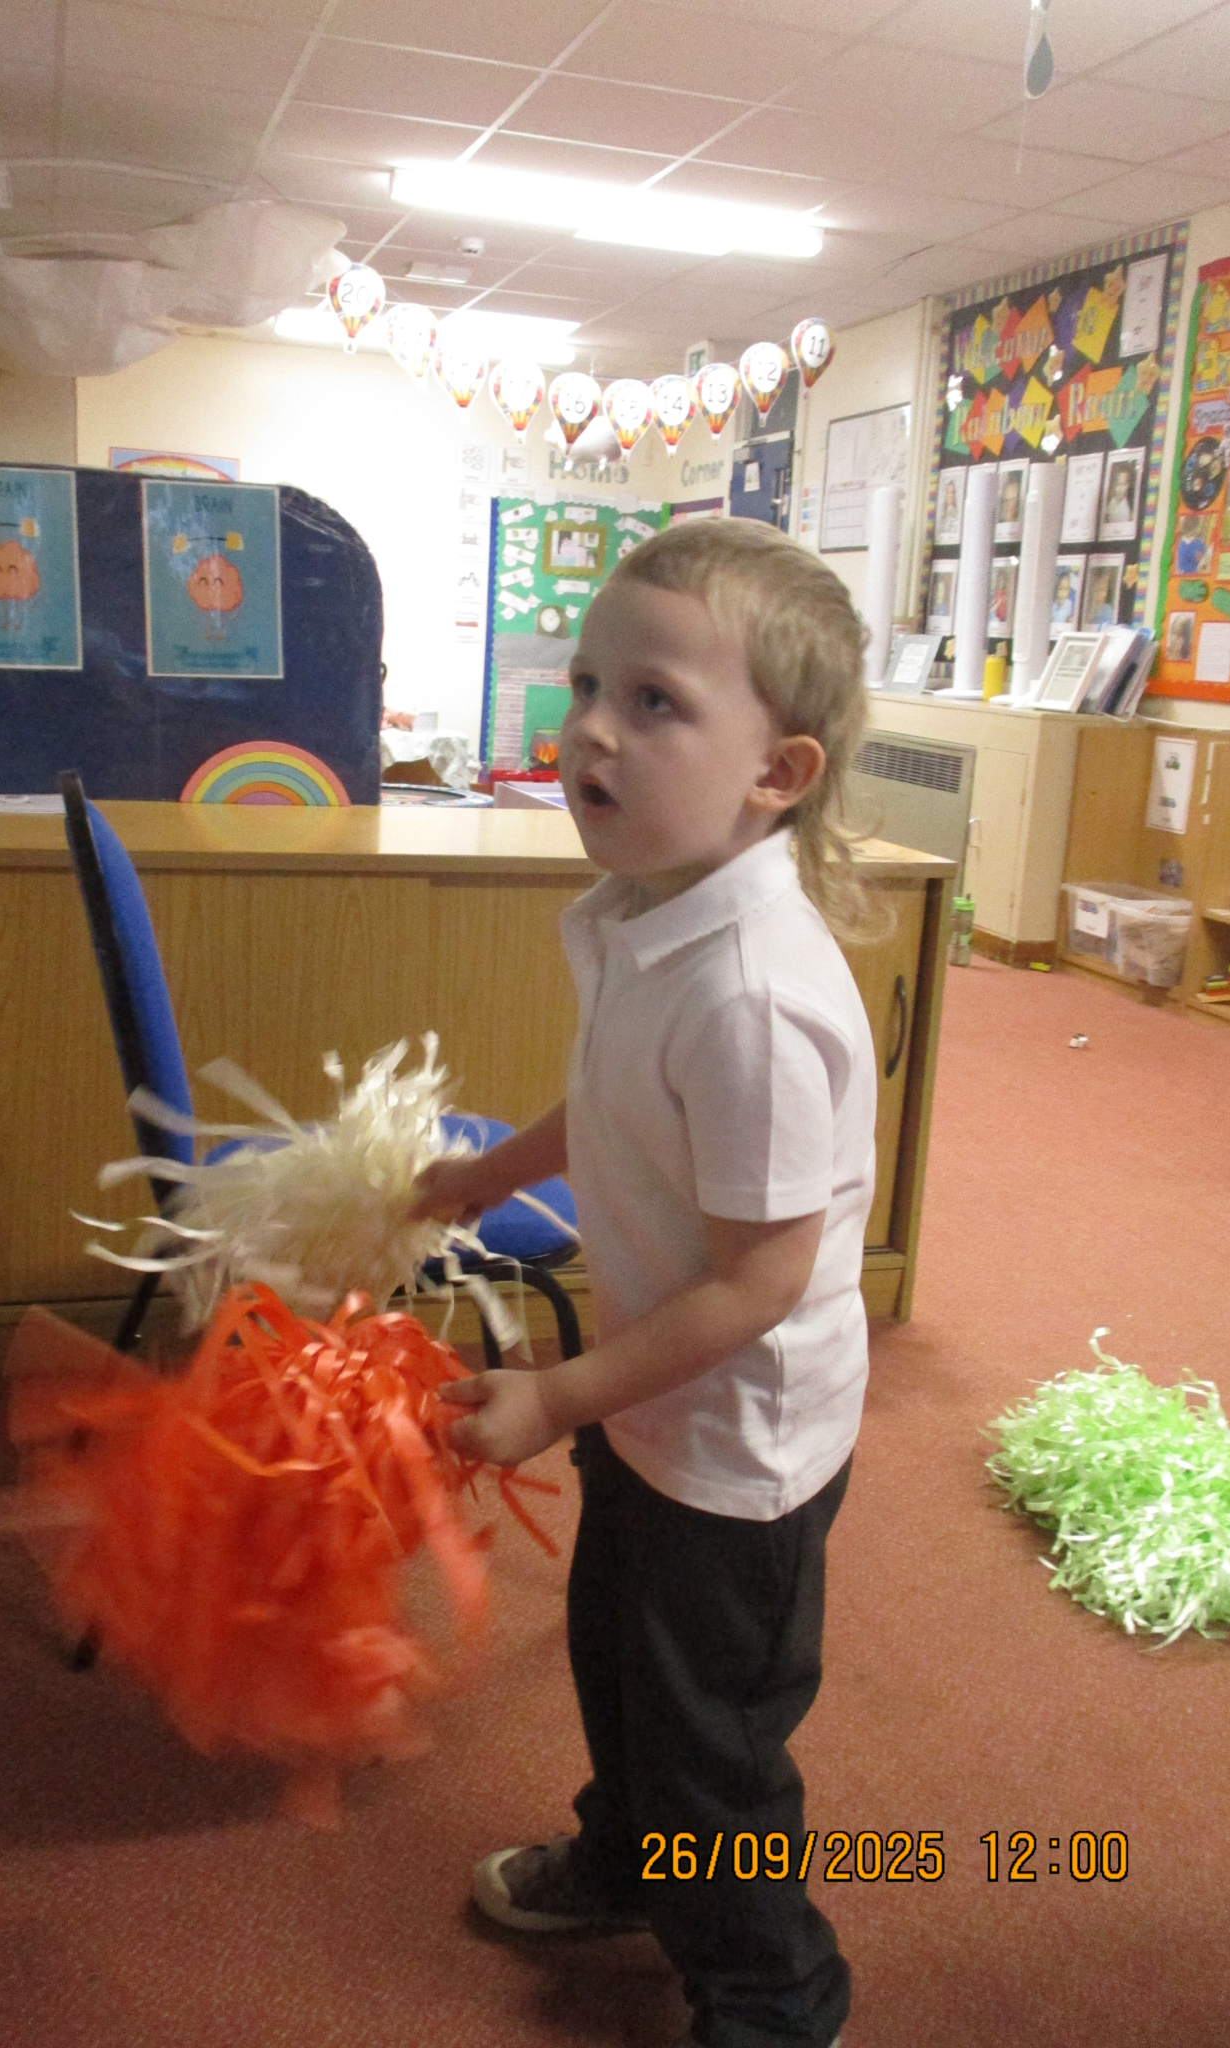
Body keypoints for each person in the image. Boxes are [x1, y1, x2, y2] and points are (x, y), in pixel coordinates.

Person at [411, 520, 875, 2048]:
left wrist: (557, 1396)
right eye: (589, 684)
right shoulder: (647, 911)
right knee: (620, 1666)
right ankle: (626, 1859)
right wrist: (494, 1172)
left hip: (736, 1443)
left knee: (711, 1750)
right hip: (651, 1393)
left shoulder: (753, 994)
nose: (593, 729)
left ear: (777, 773)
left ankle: (773, 1997)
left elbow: (760, 1283)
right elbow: (618, 1100)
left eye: (656, 701)